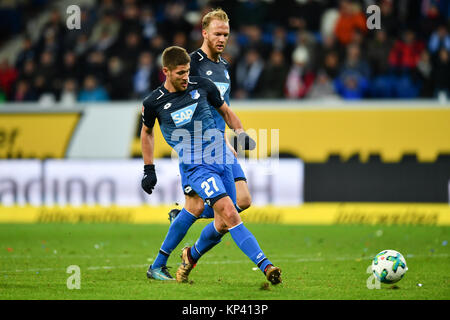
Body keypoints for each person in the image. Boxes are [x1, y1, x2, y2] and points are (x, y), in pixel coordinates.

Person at [141, 45, 281, 285]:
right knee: (229, 212)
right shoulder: (154, 102)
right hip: (196, 166)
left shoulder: (202, 86)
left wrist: (240, 132)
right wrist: (149, 169)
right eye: (180, 73)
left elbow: (226, 111)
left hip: (222, 159)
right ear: (166, 71)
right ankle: (265, 265)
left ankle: (176, 258)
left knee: (220, 215)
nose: (186, 77)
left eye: (187, 72)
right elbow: (147, 133)